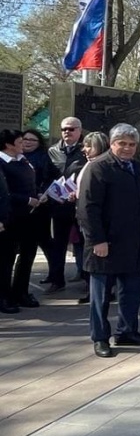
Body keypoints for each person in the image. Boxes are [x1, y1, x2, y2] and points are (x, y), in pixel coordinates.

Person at [76, 124, 140, 358]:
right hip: (105, 244)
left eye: (132, 144)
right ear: (112, 144)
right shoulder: (98, 167)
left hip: (133, 242)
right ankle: (100, 337)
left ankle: (127, 331)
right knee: (100, 296)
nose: (127, 148)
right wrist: (97, 240)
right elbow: (87, 208)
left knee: (130, 291)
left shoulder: (137, 167)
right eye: (122, 144)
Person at [0, 130, 40, 314]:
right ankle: (4, 296)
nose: (23, 144)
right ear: (8, 145)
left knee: (28, 254)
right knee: (6, 258)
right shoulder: (2, 163)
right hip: (10, 217)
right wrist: (25, 199)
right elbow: (5, 193)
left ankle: (20, 291)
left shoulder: (22, 160)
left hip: (29, 216)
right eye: (19, 142)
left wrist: (37, 194)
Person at [18, 129, 60, 306]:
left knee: (39, 244)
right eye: (24, 139)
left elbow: (53, 177)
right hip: (19, 210)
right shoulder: (15, 159)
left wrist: (44, 192)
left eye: (32, 140)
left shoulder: (42, 157)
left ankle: (55, 275)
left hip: (39, 209)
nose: (27, 142)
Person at [47, 117, 87, 289]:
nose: (67, 132)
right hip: (59, 205)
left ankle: (88, 279)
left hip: (79, 205)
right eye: (64, 129)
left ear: (79, 130)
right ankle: (56, 280)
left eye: (71, 129)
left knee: (85, 243)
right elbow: (48, 175)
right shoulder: (53, 151)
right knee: (59, 244)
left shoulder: (85, 150)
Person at [73, 132, 110, 305]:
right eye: (84, 146)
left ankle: (100, 292)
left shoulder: (100, 165)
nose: (84, 150)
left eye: (89, 146)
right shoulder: (89, 164)